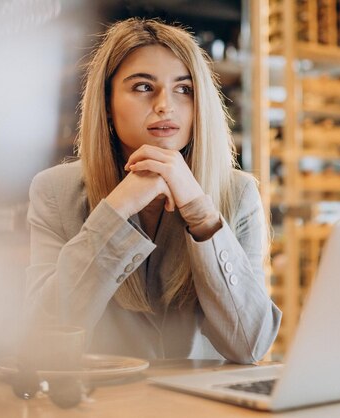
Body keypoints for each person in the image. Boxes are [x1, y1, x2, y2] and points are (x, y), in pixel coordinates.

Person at [24, 18, 281, 364]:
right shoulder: (54, 190)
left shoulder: (238, 193)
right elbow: (44, 332)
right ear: (107, 105)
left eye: (184, 89)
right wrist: (117, 208)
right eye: (144, 87)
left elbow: (251, 346)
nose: (165, 105)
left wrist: (201, 214)